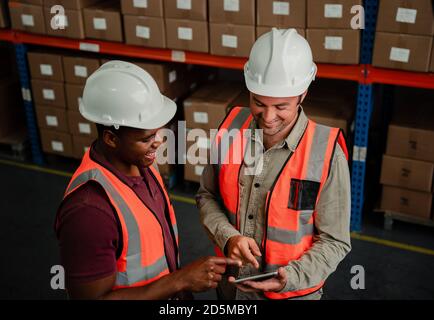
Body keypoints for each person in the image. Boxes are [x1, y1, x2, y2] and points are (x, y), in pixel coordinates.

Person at [55, 61, 240, 300]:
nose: (159, 141)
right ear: (111, 138)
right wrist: (181, 279)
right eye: (147, 137)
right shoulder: (89, 211)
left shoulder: (141, 163)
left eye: (159, 131)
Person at [196, 28, 352, 300]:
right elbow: (207, 195)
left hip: (291, 295)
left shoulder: (327, 153)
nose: (267, 117)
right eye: (258, 102)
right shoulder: (231, 128)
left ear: (303, 94)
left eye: (281, 106)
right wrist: (228, 237)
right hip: (230, 289)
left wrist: (289, 278)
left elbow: (334, 241)